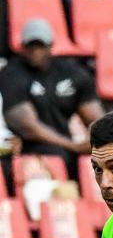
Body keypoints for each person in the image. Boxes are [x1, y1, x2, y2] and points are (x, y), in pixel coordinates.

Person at [0, 18, 104, 181]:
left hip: (65, 144)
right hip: (29, 147)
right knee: (58, 156)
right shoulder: (11, 74)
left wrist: (96, 140)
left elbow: (96, 118)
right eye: (31, 46)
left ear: (50, 46)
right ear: (22, 47)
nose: (36, 51)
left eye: (40, 45)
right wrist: (73, 146)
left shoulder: (70, 72)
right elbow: (28, 126)